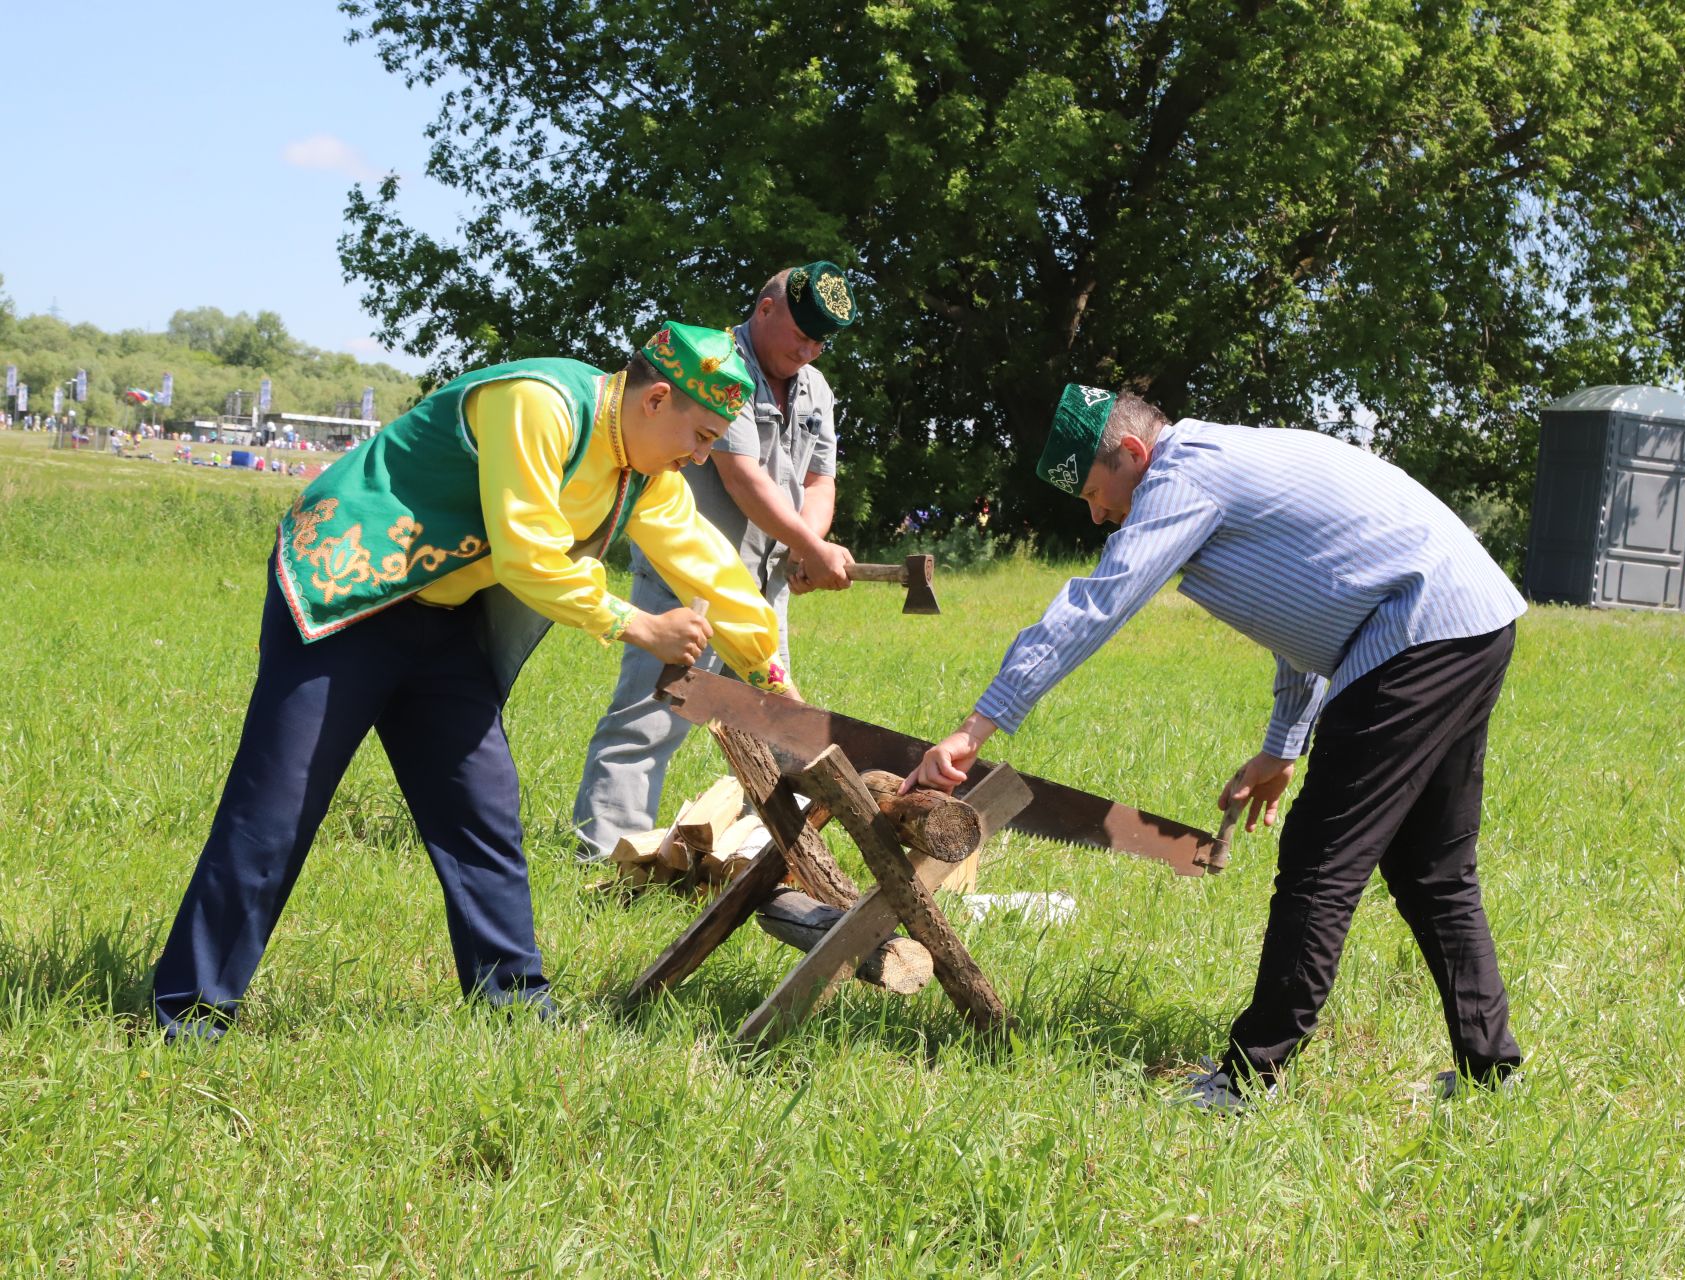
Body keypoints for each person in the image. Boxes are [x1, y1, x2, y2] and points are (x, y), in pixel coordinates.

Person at [150, 323, 790, 1041]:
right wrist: (639, 626)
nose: (703, 456)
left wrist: (768, 674)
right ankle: (190, 1015)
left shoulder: (644, 473)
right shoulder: (540, 403)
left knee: (482, 807)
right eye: (701, 435)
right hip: (348, 589)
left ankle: (515, 1005)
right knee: (276, 807)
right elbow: (528, 555)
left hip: (440, 616)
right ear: (657, 398)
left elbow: (709, 565)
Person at [904, 384, 1528, 1110]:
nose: (1098, 514)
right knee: (1431, 867)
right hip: (1468, 616)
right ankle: (1492, 1073)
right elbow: (1306, 601)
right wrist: (1281, 746)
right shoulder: (1221, 462)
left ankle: (1248, 1078)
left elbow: (1099, 602)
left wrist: (977, 726)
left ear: (1136, 454)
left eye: (1098, 493)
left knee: (1321, 861)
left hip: (1420, 627)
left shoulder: (1185, 475)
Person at [571, 262, 860, 860]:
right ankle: (603, 852)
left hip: (764, 587)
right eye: (800, 334)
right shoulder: (715, 366)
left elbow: (820, 479)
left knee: (778, 728)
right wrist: (812, 548)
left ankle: (768, 861)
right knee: (652, 716)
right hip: (688, 579)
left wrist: (808, 549)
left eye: (819, 342)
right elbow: (741, 478)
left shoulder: (817, 389)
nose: (807, 350)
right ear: (765, 309)